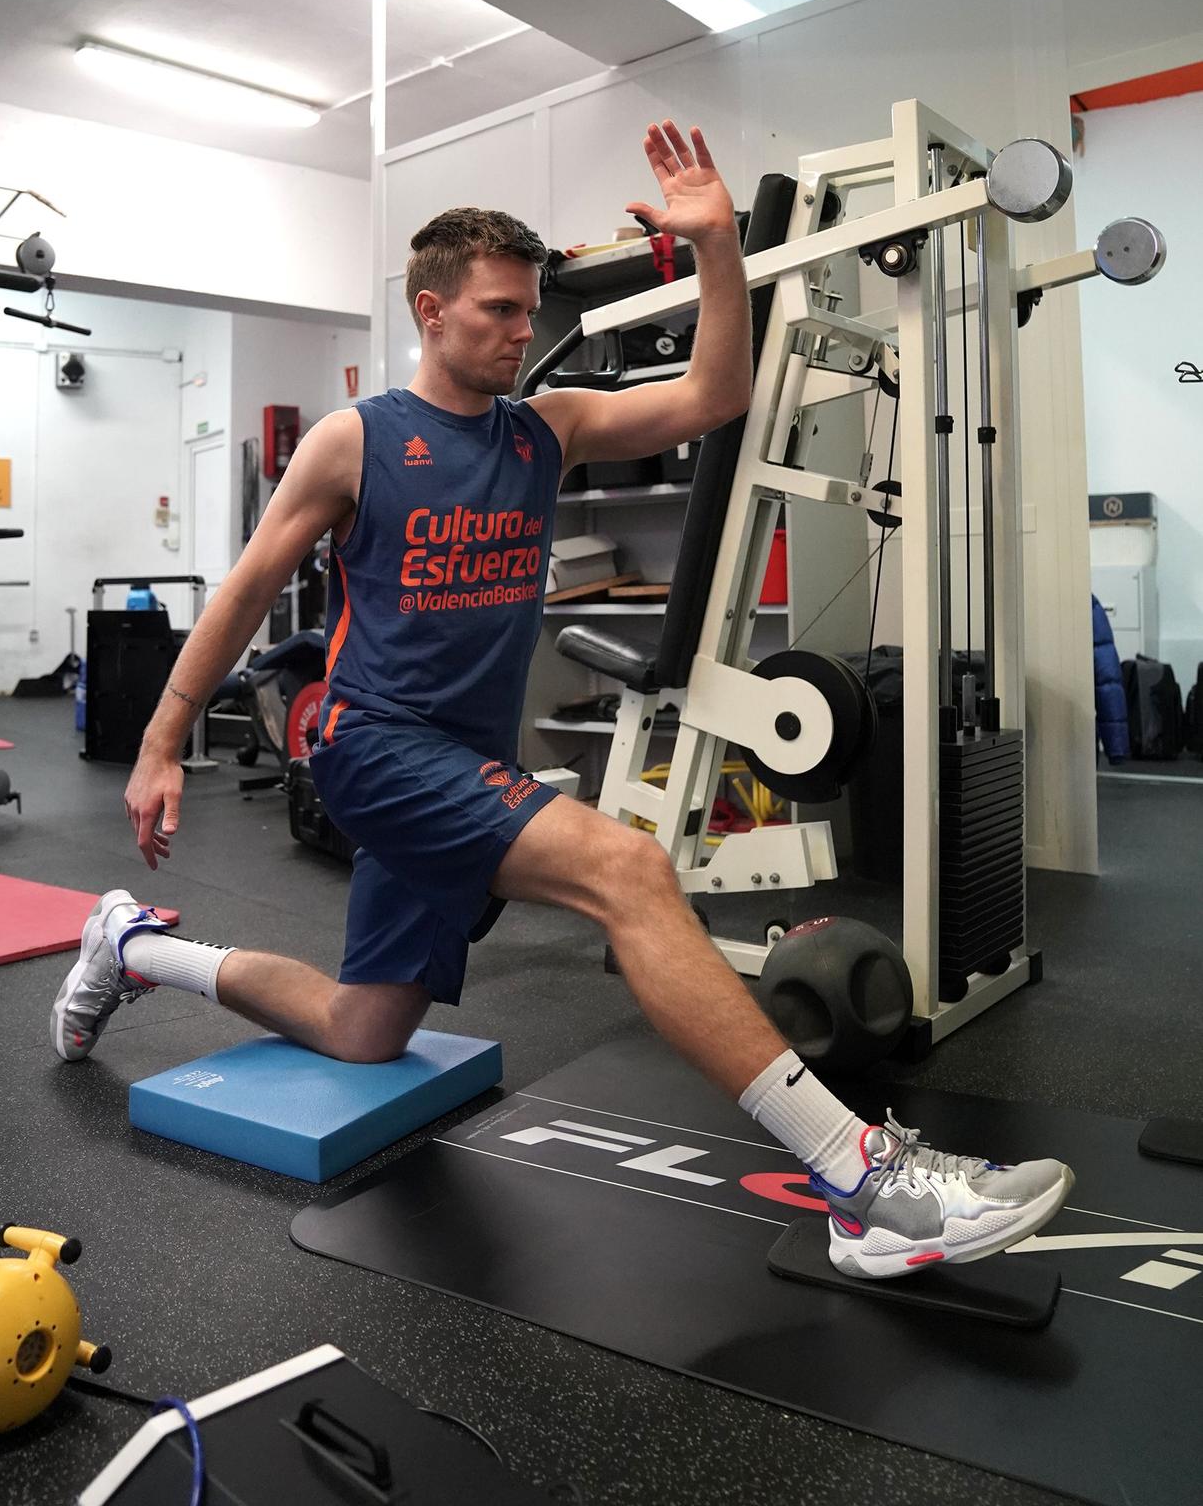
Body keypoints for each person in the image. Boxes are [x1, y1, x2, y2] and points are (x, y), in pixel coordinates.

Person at [52, 119, 1072, 1279]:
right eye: (496, 309)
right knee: (629, 867)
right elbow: (242, 591)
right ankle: (862, 1181)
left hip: (460, 757)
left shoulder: (549, 431)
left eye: (528, 307)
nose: (521, 328)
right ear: (430, 311)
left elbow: (716, 394)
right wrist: (161, 740)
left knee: (363, 1029)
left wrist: (721, 248)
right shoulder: (357, 441)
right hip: (370, 743)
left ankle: (132, 945)